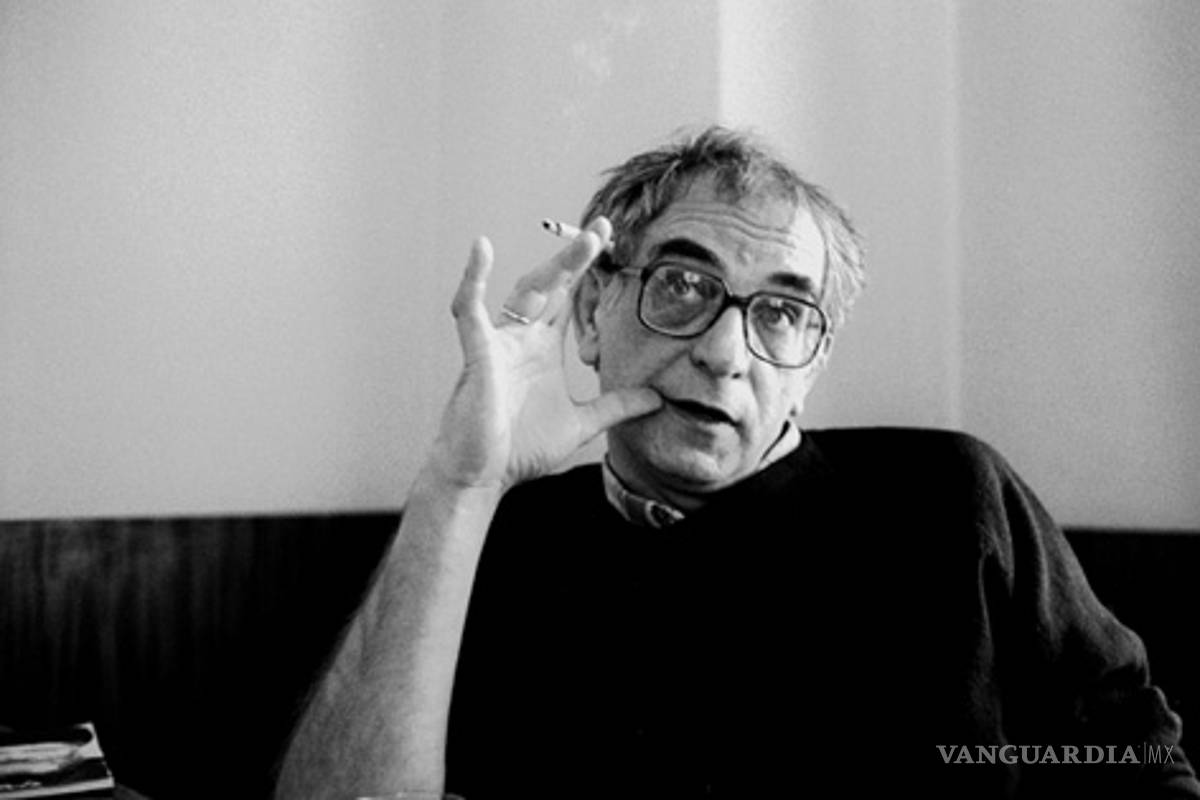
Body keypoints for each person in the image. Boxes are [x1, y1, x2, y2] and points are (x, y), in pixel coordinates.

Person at [274, 127, 1199, 799]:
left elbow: (1134, 761)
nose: (725, 353)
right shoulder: (498, 538)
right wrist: (457, 486)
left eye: (782, 312)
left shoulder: (950, 500)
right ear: (592, 313)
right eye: (683, 284)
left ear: (813, 361)